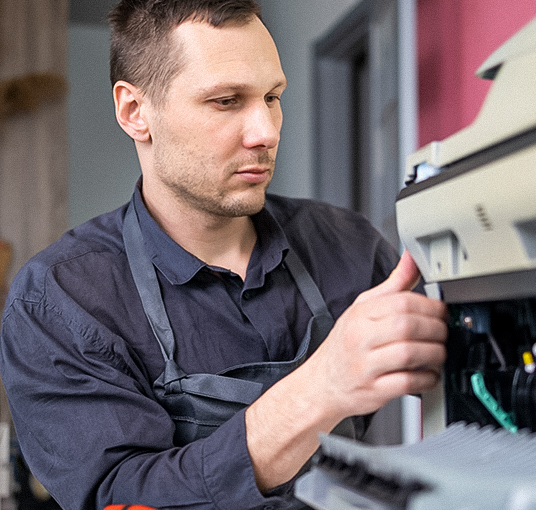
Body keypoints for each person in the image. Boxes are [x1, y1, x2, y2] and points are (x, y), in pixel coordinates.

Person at [0, 1, 448, 509]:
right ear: (134, 112)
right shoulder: (60, 301)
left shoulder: (348, 246)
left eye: (273, 97)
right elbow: (121, 497)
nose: (266, 132)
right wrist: (319, 389)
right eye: (226, 101)